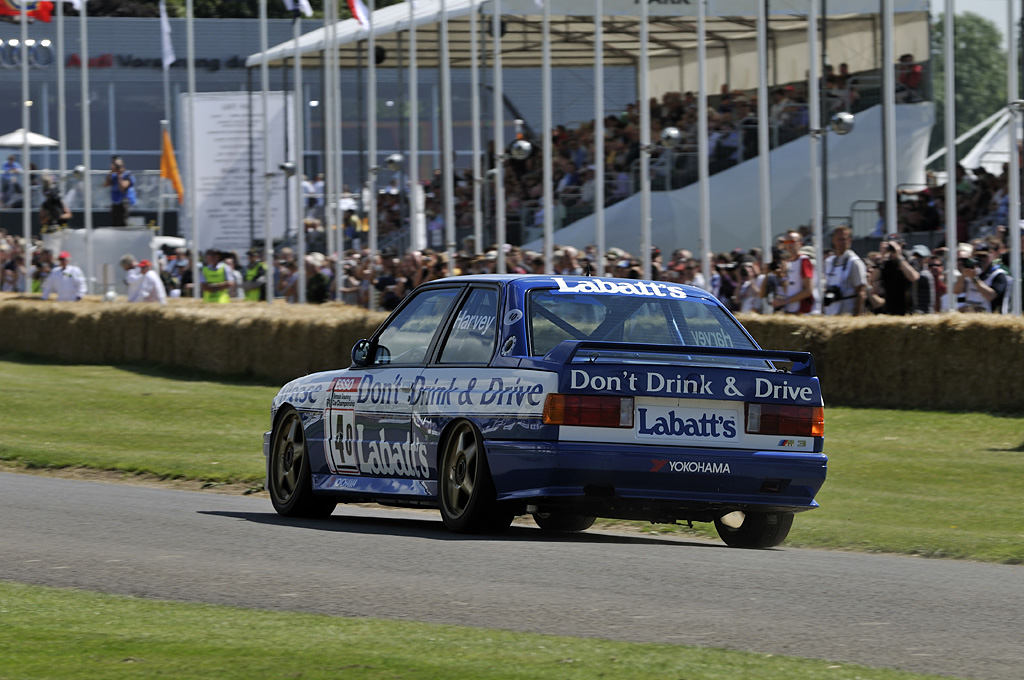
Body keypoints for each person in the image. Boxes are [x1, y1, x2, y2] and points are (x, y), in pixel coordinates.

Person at [823, 226, 867, 316]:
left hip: (847, 311)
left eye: (844, 239)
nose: (841, 243)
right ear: (833, 240)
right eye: (838, 239)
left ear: (849, 240)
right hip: (830, 309)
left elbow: (861, 292)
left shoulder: (854, 263)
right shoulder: (829, 262)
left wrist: (857, 314)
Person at [954, 242, 1011, 313]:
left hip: (989, 316)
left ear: (991, 255)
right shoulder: (973, 271)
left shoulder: (998, 274)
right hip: (970, 316)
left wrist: (975, 279)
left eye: (984, 256)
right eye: (977, 256)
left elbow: (990, 296)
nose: (981, 259)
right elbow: (957, 291)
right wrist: (963, 276)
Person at [773, 230, 816, 314]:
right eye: (787, 241)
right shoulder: (788, 262)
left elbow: (808, 290)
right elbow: (788, 288)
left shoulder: (804, 260)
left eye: (792, 241)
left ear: (800, 243)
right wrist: (781, 276)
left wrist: (784, 301)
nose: (789, 244)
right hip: (791, 309)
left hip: (803, 310)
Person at [878, 236, 919, 315]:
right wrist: (882, 256)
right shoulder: (886, 262)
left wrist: (899, 257)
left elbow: (914, 277)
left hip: (907, 307)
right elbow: (874, 282)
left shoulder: (908, 259)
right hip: (890, 307)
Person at [103, 156, 137, 227]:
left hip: (123, 203)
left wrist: (119, 175)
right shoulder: (113, 175)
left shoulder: (127, 175)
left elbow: (122, 187)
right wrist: (111, 172)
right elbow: (105, 184)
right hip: (115, 203)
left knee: (122, 224)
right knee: (114, 224)